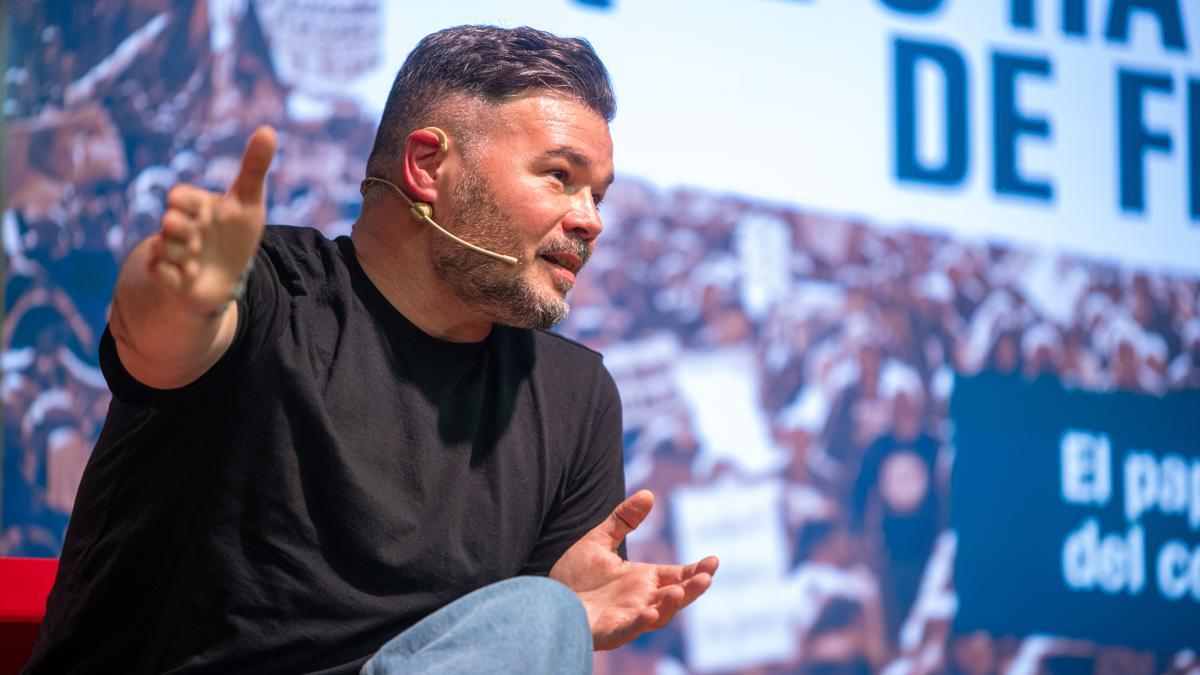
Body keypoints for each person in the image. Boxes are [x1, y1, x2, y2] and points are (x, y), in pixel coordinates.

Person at [25, 25, 717, 674]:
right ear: (426, 165)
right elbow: (158, 339)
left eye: (598, 194)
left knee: (540, 616)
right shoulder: (269, 290)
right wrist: (177, 287)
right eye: (560, 176)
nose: (590, 220)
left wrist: (557, 618)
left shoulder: (577, 395)